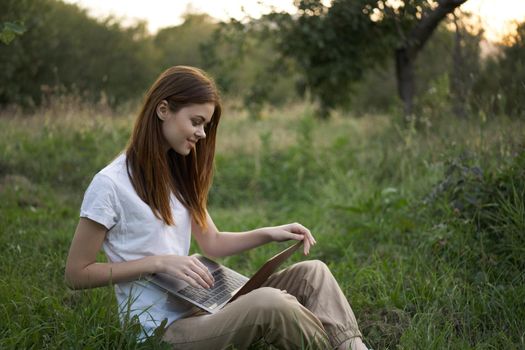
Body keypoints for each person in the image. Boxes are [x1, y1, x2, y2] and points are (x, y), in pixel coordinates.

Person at [65, 66, 368, 350]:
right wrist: (158, 262)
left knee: (313, 273)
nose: (202, 134)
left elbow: (213, 242)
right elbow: (77, 274)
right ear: (163, 110)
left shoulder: (177, 175)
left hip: (205, 303)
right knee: (270, 304)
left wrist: (268, 233)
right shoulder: (110, 185)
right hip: (162, 329)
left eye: (205, 125)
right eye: (196, 121)